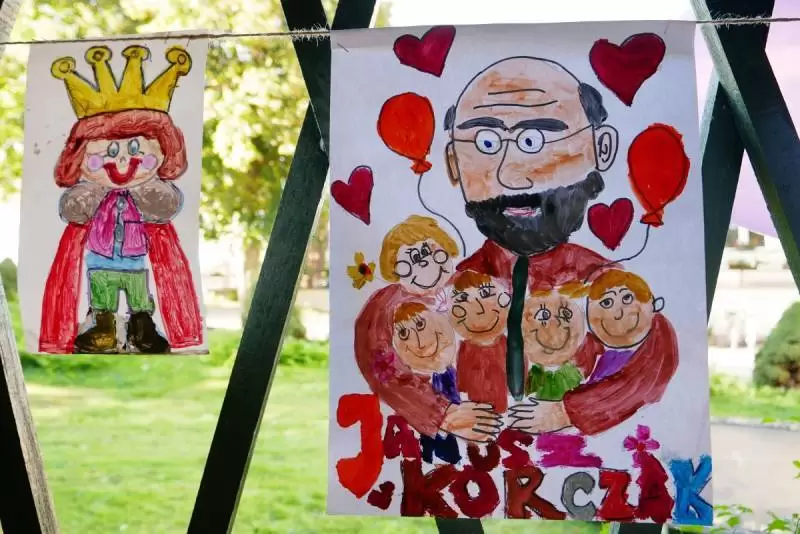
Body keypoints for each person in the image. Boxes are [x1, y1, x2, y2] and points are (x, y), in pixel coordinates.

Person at [444, 56, 679, 436]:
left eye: (535, 142)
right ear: (454, 163)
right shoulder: (455, 285)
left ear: (601, 148)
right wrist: (441, 414)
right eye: (486, 144)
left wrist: (573, 411)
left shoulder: (603, 283)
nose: (511, 176)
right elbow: (384, 351)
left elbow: (657, 354)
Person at [39, 45, 203, 354]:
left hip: (135, 259)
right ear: (81, 157)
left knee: (139, 297)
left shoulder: (148, 192)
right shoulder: (91, 192)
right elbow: (72, 210)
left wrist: (144, 187)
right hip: (99, 259)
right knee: (102, 296)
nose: (124, 160)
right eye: (110, 151)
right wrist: (91, 192)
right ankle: (104, 327)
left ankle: (142, 327)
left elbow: (166, 206)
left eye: (137, 149)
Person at [584, 269, 666, 384]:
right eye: (607, 303)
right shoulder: (606, 359)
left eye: (627, 298)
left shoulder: (656, 355)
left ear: (652, 303)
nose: (619, 314)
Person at [448, 270, 511, 413]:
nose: (479, 309)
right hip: (476, 411)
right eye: (463, 298)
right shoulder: (465, 350)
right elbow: (462, 385)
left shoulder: (508, 346)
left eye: (486, 293)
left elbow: (517, 382)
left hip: (505, 410)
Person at [522, 282, 589, 401]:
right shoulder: (533, 375)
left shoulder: (573, 374)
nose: (556, 324)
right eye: (543, 315)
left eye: (565, 314)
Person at [389, 301, 459, 405]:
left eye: (420, 324)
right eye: (404, 334)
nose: (420, 343)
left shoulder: (465, 363)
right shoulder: (414, 389)